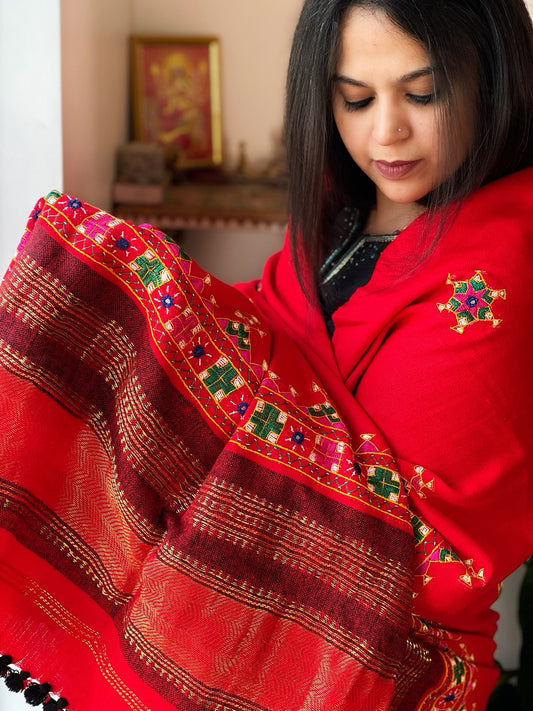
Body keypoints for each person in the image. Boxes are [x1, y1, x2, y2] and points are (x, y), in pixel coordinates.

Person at [0, 1, 531, 710]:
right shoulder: (337, 208)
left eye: (422, 93)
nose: (386, 131)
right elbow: (269, 332)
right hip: (270, 583)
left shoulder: (508, 253)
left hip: (386, 654)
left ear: (493, 77)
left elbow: (411, 533)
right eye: (354, 98)